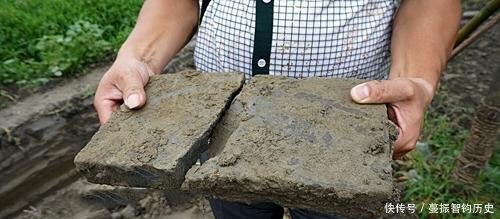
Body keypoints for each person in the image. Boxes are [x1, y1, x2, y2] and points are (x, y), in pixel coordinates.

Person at [93, 0, 461, 218]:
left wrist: (417, 78)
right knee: (236, 209)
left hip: (341, 135)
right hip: (223, 131)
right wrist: (138, 57)